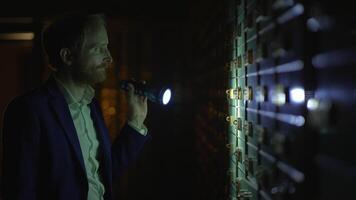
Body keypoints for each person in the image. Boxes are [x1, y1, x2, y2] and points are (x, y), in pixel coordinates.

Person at [1, 13, 150, 200]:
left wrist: (135, 121)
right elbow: (20, 192)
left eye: (107, 47)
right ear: (67, 56)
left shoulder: (92, 106)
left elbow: (102, 176)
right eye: (99, 49)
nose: (109, 58)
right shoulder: (28, 110)